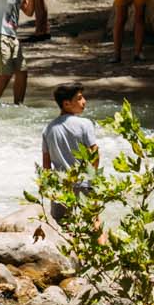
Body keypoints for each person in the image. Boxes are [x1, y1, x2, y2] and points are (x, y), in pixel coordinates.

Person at [40, 81, 99, 225]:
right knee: (94, 223)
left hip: (61, 185)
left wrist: (49, 188)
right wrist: (93, 178)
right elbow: (95, 153)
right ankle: (101, 248)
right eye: (79, 98)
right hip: (84, 182)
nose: (84, 101)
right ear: (66, 104)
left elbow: (46, 165)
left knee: (63, 225)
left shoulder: (48, 129)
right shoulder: (85, 124)